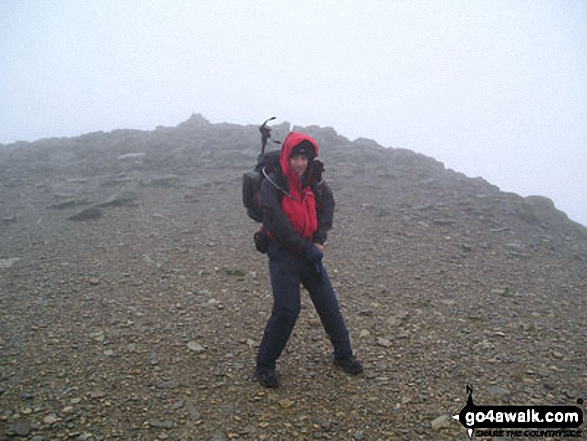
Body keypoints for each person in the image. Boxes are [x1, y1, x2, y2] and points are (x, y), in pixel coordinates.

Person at [255, 131, 363, 388]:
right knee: (287, 310)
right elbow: (277, 224)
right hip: (283, 253)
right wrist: (307, 248)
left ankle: (344, 356)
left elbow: (328, 207)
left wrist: (319, 240)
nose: (299, 163)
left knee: (328, 305)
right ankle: (264, 366)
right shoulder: (272, 183)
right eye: (295, 157)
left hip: (308, 252)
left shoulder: (315, 181)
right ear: (286, 156)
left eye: (304, 158)